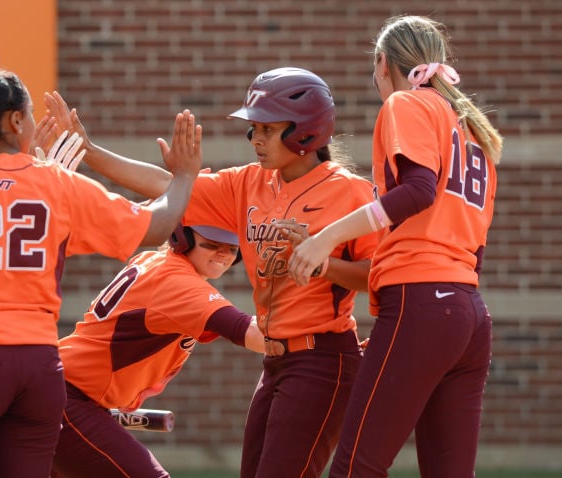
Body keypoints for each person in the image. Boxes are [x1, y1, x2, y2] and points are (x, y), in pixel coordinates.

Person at [48, 67, 380, 477]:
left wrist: (322, 260)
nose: (255, 139)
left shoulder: (349, 191)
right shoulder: (251, 183)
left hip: (322, 358)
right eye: (252, 129)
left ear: (307, 133)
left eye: (267, 128)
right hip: (277, 360)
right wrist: (91, 151)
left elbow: (377, 275)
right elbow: (168, 186)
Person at [0, 70, 201, 477]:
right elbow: (155, 225)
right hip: (39, 368)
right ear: (15, 121)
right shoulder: (57, 184)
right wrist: (185, 176)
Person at [288, 15, 503, 478]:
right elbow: (476, 245)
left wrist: (326, 236)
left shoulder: (408, 103)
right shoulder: (474, 133)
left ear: (383, 63)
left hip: (422, 301)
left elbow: (419, 190)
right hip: (469, 314)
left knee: (354, 469)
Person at [51, 224, 264, 478]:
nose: (223, 254)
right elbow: (252, 334)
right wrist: (310, 325)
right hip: (68, 398)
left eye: (232, 248)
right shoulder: (178, 283)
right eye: (211, 244)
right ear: (181, 238)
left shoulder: (155, 260)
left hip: (67, 390)